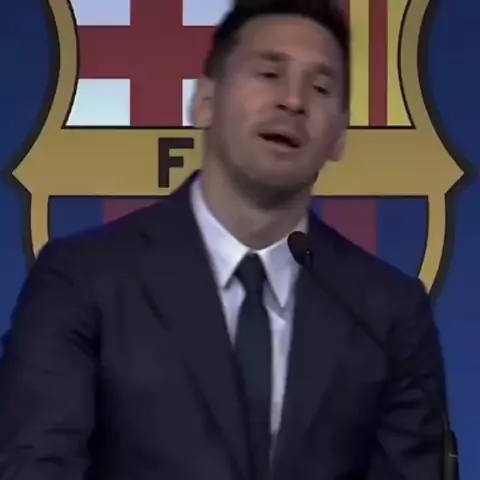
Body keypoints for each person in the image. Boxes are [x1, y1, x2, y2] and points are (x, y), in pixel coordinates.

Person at [0, 1, 448, 479]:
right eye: (269, 74)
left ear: (340, 135)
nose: (293, 101)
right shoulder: (83, 279)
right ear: (205, 101)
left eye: (320, 87)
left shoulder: (385, 313)